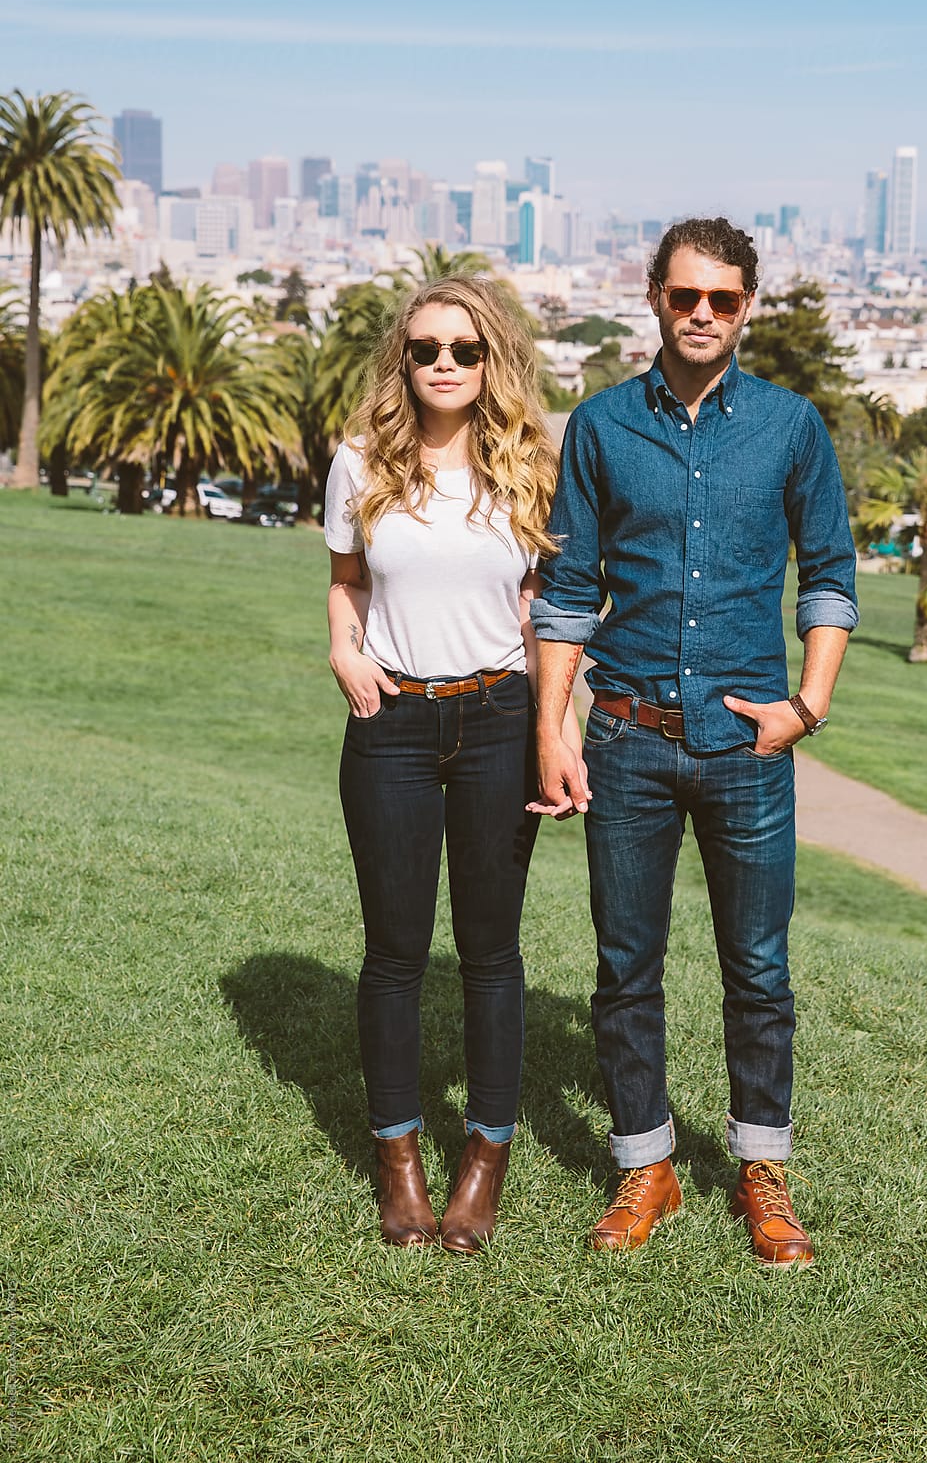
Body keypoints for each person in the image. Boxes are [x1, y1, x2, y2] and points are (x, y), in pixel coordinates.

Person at [529, 217, 858, 1267]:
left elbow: (833, 576)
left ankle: (762, 1171)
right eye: (685, 297)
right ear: (655, 300)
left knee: (757, 970)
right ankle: (648, 1166)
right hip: (624, 738)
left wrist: (805, 707)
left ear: (747, 304)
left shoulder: (792, 428)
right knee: (627, 968)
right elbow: (570, 593)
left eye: (722, 299)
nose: (702, 315)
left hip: (745, 746)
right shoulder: (602, 426)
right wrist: (553, 726)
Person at [325, 276, 582, 1254]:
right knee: (393, 953)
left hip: (498, 720)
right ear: (404, 359)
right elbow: (346, 581)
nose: (444, 364)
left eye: (464, 350)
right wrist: (346, 650)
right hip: (390, 722)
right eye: (427, 348)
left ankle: (483, 1161)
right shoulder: (359, 461)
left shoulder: (528, 466)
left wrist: (554, 731)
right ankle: (398, 1162)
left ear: (491, 361)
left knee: (490, 952)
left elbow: (553, 612)